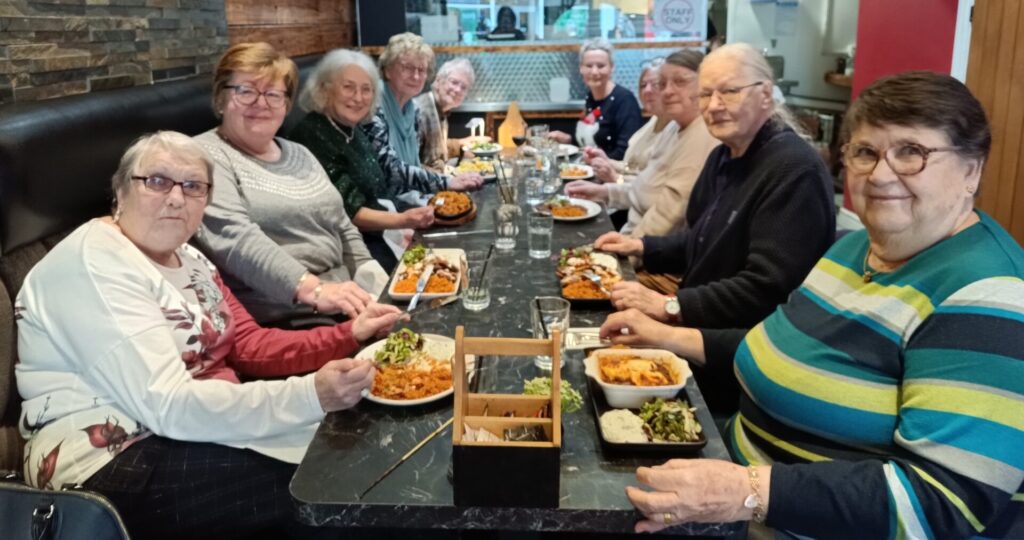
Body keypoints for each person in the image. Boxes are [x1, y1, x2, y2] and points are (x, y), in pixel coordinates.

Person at [603, 71, 1024, 539]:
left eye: (912, 153)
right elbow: (785, 349)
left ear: (972, 170)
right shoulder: (854, 248)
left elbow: (942, 502)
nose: (881, 174)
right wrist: (666, 336)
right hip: (737, 475)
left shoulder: (987, 296)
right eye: (865, 152)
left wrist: (747, 491)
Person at [15, 131, 405, 539]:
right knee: (335, 488)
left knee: (361, 442)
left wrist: (349, 333)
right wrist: (309, 395)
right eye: (157, 181)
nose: (176, 198)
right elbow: (167, 405)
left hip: (195, 425)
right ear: (120, 191)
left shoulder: (190, 257)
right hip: (109, 464)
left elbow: (247, 345)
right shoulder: (96, 263)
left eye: (193, 186)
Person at [193, 42, 385, 327]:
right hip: (285, 318)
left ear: (285, 105)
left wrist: (372, 274)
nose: (261, 103)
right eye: (246, 91)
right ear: (220, 99)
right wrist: (315, 290)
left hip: (344, 302)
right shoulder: (203, 156)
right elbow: (234, 238)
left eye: (273, 94)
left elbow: (340, 222)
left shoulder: (299, 153)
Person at [288, 49, 436, 275]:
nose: (358, 98)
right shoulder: (313, 134)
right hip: (348, 248)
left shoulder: (353, 129)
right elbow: (349, 211)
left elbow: (379, 187)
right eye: (348, 87)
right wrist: (402, 220)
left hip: (379, 232)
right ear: (325, 89)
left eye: (366, 89)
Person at [566, 49, 719, 239]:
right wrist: (602, 192)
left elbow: (669, 215)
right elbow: (642, 182)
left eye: (680, 81)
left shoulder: (702, 135)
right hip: (631, 230)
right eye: (661, 84)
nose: (667, 91)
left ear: (705, 86)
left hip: (650, 252)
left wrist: (626, 253)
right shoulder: (671, 126)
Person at [362, 32, 482, 199]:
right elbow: (388, 169)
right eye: (407, 68)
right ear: (387, 69)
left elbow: (416, 165)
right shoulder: (373, 105)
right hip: (382, 207)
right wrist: (447, 182)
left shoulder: (412, 110)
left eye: (422, 70)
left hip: (410, 197)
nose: (416, 76)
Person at [583, 56, 673, 185]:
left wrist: (615, 178)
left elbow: (652, 188)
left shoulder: (675, 128)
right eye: (643, 85)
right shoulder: (654, 120)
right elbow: (632, 167)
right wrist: (607, 161)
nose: (647, 90)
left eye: (655, 84)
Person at [548, 38, 643, 160]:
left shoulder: (625, 101)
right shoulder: (591, 97)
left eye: (601, 66)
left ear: (611, 68)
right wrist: (568, 139)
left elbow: (626, 152)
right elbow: (592, 141)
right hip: (588, 169)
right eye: (589, 66)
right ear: (581, 68)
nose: (594, 71)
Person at [414, 57, 476, 172]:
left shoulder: (442, 110)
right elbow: (410, 165)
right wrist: (447, 180)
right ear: (438, 81)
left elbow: (434, 150)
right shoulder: (420, 111)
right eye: (454, 82)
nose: (458, 90)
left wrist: (461, 146)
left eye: (464, 87)